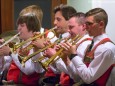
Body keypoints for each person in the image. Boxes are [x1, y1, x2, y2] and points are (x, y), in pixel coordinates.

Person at [59, 8, 115, 86]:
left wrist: (73, 55)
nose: (85, 27)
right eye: (86, 24)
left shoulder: (106, 48)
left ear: (101, 24)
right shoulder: (91, 44)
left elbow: (88, 78)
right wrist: (65, 59)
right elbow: (78, 77)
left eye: (89, 24)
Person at [0, 5, 45, 85]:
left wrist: (11, 53)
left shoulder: (36, 44)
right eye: (18, 25)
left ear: (32, 27)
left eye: (22, 25)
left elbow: (29, 70)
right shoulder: (17, 44)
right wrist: (1, 55)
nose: (18, 28)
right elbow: (3, 68)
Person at [38, 4, 77, 86]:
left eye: (58, 19)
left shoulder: (74, 41)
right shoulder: (61, 39)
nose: (54, 22)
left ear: (69, 20)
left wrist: (54, 57)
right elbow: (57, 70)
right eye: (55, 19)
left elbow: (71, 71)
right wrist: (49, 55)